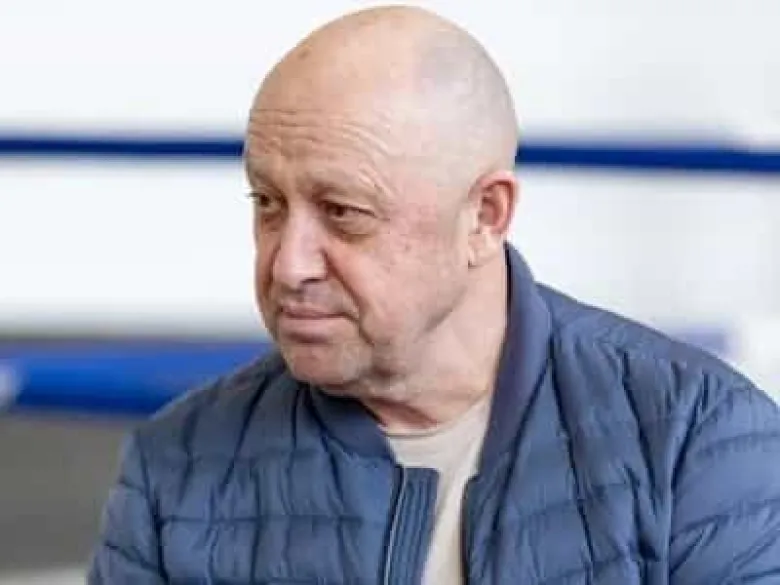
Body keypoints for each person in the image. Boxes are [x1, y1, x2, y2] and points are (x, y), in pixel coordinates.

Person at [88, 6, 780, 584]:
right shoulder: (176, 465)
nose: (289, 264)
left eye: (343, 212)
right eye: (267, 203)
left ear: (485, 216)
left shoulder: (699, 441)